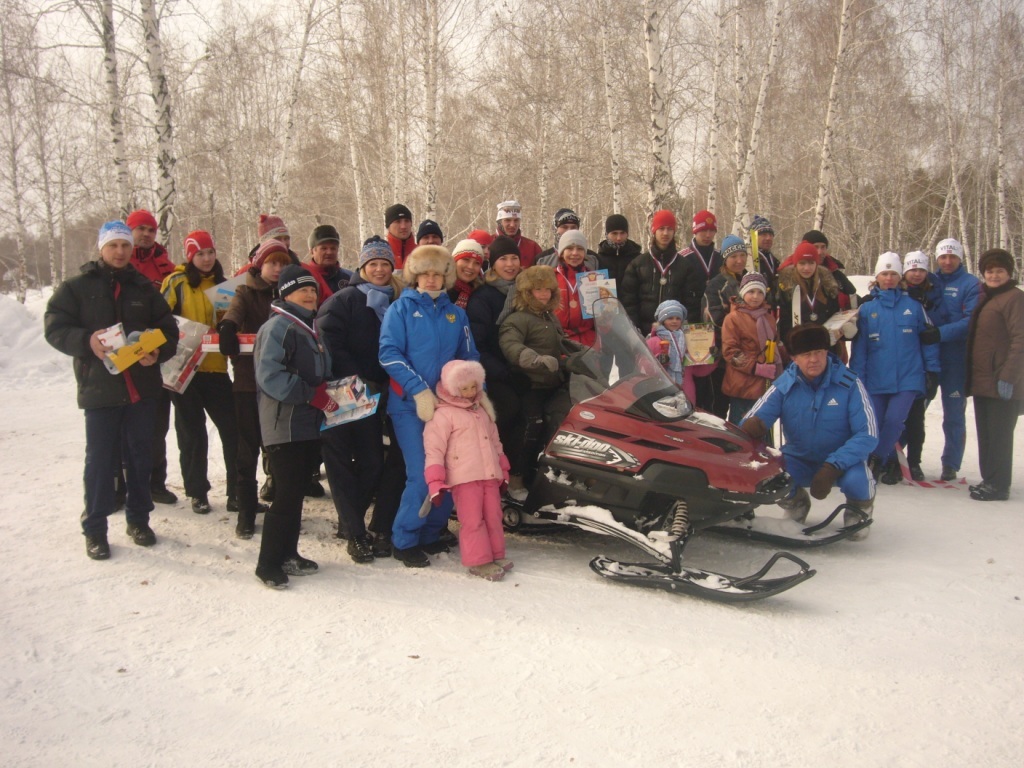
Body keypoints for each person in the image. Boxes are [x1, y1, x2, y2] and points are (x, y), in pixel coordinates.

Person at [44, 220, 179, 559]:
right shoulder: (76, 287)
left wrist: (157, 352)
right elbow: (55, 325)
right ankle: (95, 528)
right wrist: (85, 340)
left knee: (140, 456)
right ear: (101, 248)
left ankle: (138, 519)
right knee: (101, 461)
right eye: (113, 246)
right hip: (100, 389)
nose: (120, 252)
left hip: (142, 390)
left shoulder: (145, 288)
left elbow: (168, 329)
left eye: (124, 246)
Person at [379, 244, 480, 567]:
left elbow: (470, 357)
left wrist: (477, 392)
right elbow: (389, 354)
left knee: (451, 469)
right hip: (410, 406)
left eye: (438, 274)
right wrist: (419, 390)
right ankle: (405, 538)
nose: (432, 280)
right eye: (426, 274)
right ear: (415, 276)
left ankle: (431, 532)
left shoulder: (456, 312)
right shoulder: (401, 309)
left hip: (451, 408)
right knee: (422, 474)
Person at [741, 323, 877, 538]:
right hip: (799, 458)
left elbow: (867, 433)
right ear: (794, 358)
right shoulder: (784, 385)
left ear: (826, 353)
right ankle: (797, 504)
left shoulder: (849, 383)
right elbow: (754, 418)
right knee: (769, 475)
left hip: (842, 463)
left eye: (818, 353)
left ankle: (858, 510)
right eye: (806, 354)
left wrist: (834, 465)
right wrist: (752, 425)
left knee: (858, 481)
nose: (813, 359)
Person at [316, 236, 403, 561]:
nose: (379, 270)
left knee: (371, 462)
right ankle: (354, 533)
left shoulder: (394, 300)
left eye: (385, 264)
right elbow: (329, 341)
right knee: (340, 462)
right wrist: (357, 376)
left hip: (376, 390)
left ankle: (349, 519)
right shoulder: (345, 299)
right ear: (362, 266)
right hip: (343, 390)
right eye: (373, 264)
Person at [252, 265, 334, 588]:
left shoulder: (311, 329)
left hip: (307, 425)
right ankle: (267, 563)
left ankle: (288, 553)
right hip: (283, 426)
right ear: (286, 294)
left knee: (296, 493)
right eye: (303, 290)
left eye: (313, 289)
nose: (311, 295)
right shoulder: (278, 328)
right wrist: (311, 394)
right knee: (285, 495)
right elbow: (270, 376)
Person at [160, 230, 238, 515]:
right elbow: (160, 318)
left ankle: (237, 492)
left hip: (216, 369)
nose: (206, 259)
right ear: (190, 256)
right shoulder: (176, 282)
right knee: (192, 434)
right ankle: (197, 492)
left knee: (233, 430)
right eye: (200, 254)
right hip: (184, 371)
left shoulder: (224, 284)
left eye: (210, 253)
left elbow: (230, 319)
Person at [218, 239, 290, 539]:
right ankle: (246, 511)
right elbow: (233, 312)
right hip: (248, 384)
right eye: (272, 263)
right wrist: (227, 328)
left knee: (281, 451)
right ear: (260, 264)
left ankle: (282, 509)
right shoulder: (245, 292)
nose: (277, 269)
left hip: (283, 386)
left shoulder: (290, 294)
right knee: (246, 451)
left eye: (283, 264)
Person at [850, 252, 940, 483]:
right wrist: (857, 378)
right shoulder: (868, 310)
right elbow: (860, 349)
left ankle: (878, 459)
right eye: (884, 274)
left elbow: (928, 341)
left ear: (900, 277)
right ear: (877, 277)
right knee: (875, 423)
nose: (889, 278)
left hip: (908, 378)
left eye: (893, 274)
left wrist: (932, 371)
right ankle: (888, 462)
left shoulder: (914, 306)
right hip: (877, 378)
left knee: (894, 421)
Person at [424, 360, 512, 581]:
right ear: (453, 388)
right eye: (464, 388)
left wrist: (503, 466)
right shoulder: (444, 414)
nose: (471, 392)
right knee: (472, 519)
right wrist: (435, 480)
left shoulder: (482, 409)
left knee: (493, 515)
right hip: (464, 477)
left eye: (474, 386)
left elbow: (495, 440)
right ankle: (478, 560)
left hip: (489, 474)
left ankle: (496, 553)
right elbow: (434, 449)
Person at [499, 265, 582, 485]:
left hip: (554, 384)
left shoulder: (550, 317)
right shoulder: (518, 319)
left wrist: (584, 352)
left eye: (547, 289)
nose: (544, 293)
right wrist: (534, 358)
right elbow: (510, 344)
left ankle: (557, 474)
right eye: (538, 289)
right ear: (527, 292)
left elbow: (561, 341)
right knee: (532, 425)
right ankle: (516, 477)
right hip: (531, 385)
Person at [465, 235, 529, 498]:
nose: (510, 264)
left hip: (522, 367)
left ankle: (525, 472)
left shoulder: (527, 291)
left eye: (514, 258)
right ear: (493, 263)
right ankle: (499, 474)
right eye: (503, 258)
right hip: (494, 371)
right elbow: (477, 344)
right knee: (510, 410)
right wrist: (503, 372)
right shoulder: (484, 297)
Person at [126, 208, 177, 505]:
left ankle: (156, 481)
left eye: (151, 230)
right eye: (140, 229)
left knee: (158, 425)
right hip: (122, 357)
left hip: (158, 354)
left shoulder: (166, 267)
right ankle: (121, 485)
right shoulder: (119, 265)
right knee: (123, 427)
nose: (145, 234)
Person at [965, 249, 1024, 502]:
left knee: (999, 434)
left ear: (1009, 273)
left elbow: (1020, 340)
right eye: (990, 271)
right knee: (987, 433)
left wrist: (1008, 377)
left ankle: (999, 485)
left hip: (1001, 380)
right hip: (984, 381)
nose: (994, 275)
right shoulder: (991, 298)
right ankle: (990, 479)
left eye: (1000, 270)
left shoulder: (1014, 298)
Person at [927, 237, 981, 481]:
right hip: (928, 357)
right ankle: (894, 458)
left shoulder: (970, 284)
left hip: (955, 359)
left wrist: (939, 333)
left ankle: (951, 463)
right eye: (943, 257)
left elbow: (970, 321)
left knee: (954, 414)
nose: (947, 261)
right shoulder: (929, 280)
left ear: (960, 258)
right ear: (937, 258)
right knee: (915, 409)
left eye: (952, 257)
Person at [620, 209, 702, 333]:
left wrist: (683, 331)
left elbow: (691, 305)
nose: (665, 233)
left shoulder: (685, 266)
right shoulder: (638, 264)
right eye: (661, 228)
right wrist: (636, 330)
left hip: (675, 334)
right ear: (654, 231)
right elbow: (629, 302)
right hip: (644, 334)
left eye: (669, 229)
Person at [900, 250, 943, 480]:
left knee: (917, 419)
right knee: (894, 419)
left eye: (921, 270)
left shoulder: (932, 295)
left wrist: (932, 371)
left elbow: (929, 340)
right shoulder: (898, 294)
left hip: (917, 367)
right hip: (898, 365)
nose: (916, 274)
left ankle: (914, 461)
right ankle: (892, 459)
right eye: (912, 270)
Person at [721, 273, 782, 426]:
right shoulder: (733, 318)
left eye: (760, 292)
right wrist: (755, 367)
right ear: (743, 293)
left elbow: (775, 342)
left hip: (765, 383)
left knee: (762, 426)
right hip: (743, 384)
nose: (756, 296)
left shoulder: (768, 318)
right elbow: (730, 352)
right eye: (751, 292)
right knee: (742, 427)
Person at [701, 234, 748, 417]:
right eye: (733, 257)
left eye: (742, 255)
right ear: (725, 259)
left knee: (743, 404)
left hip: (747, 355)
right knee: (719, 405)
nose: (738, 260)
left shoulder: (750, 280)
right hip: (722, 356)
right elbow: (713, 319)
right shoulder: (717, 284)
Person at [775, 241, 842, 347]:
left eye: (811, 263)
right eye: (802, 263)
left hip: (824, 346)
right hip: (798, 347)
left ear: (816, 263)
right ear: (796, 264)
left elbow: (834, 314)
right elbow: (784, 322)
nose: (807, 268)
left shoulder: (827, 286)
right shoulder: (786, 287)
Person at [645, 300, 696, 404]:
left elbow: (698, 370)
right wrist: (658, 360)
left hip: (685, 391)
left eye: (678, 318)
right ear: (662, 320)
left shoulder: (689, 340)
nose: (674, 321)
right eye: (670, 318)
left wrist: (711, 356)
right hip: (661, 389)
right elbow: (643, 366)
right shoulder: (653, 341)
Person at [553, 230, 597, 346]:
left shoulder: (595, 279)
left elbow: (604, 322)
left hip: (589, 344)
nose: (575, 253)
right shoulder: (549, 279)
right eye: (569, 248)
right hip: (558, 343)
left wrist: (607, 316)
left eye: (580, 249)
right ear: (561, 252)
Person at [679, 210, 723, 316]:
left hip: (716, 316)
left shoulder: (721, 257)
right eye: (704, 230)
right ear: (695, 231)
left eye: (712, 230)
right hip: (689, 317)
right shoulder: (682, 258)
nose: (708, 235)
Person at [303, 224, 350, 295]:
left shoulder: (348, 277)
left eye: (333, 248)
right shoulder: (303, 278)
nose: (329, 252)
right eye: (324, 248)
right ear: (312, 251)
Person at [494, 199, 542, 268]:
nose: (512, 225)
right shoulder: (488, 244)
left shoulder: (532, 247)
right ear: (500, 222)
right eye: (508, 220)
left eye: (516, 220)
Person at [596, 214, 641, 287]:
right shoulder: (598, 260)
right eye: (614, 233)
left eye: (622, 233)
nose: (619, 238)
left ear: (627, 234)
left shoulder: (638, 259)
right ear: (607, 234)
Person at [448, 238, 486, 309]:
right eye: (466, 260)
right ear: (454, 261)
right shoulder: (440, 289)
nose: (470, 267)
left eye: (477, 263)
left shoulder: (481, 293)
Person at [749, 215, 780, 298]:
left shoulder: (775, 261)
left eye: (770, 235)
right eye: (764, 234)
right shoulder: (748, 260)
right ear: (754, 237)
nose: (768, 238)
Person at [385, 204, 416, 269]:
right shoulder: (381, 254)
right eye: (398, 221)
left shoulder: (421, 252)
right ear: (388, 226)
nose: (403, 226)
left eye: (407, 221)